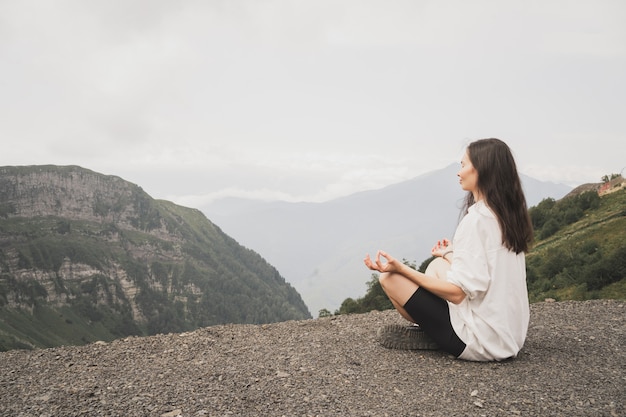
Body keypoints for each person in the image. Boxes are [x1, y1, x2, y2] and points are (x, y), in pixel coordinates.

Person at [364, 138, 534, 361]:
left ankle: (433, 334)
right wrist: (450, 254)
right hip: (508, 335)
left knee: (388, 278)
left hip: (480, 341)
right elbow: (486, 275)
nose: (459, 172)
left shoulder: (476, 221)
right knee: (437, 264)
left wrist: (401, 269)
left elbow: (457, 294)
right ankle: (436, 328)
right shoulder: (505, 216)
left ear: (481, 169)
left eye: (463, 165)